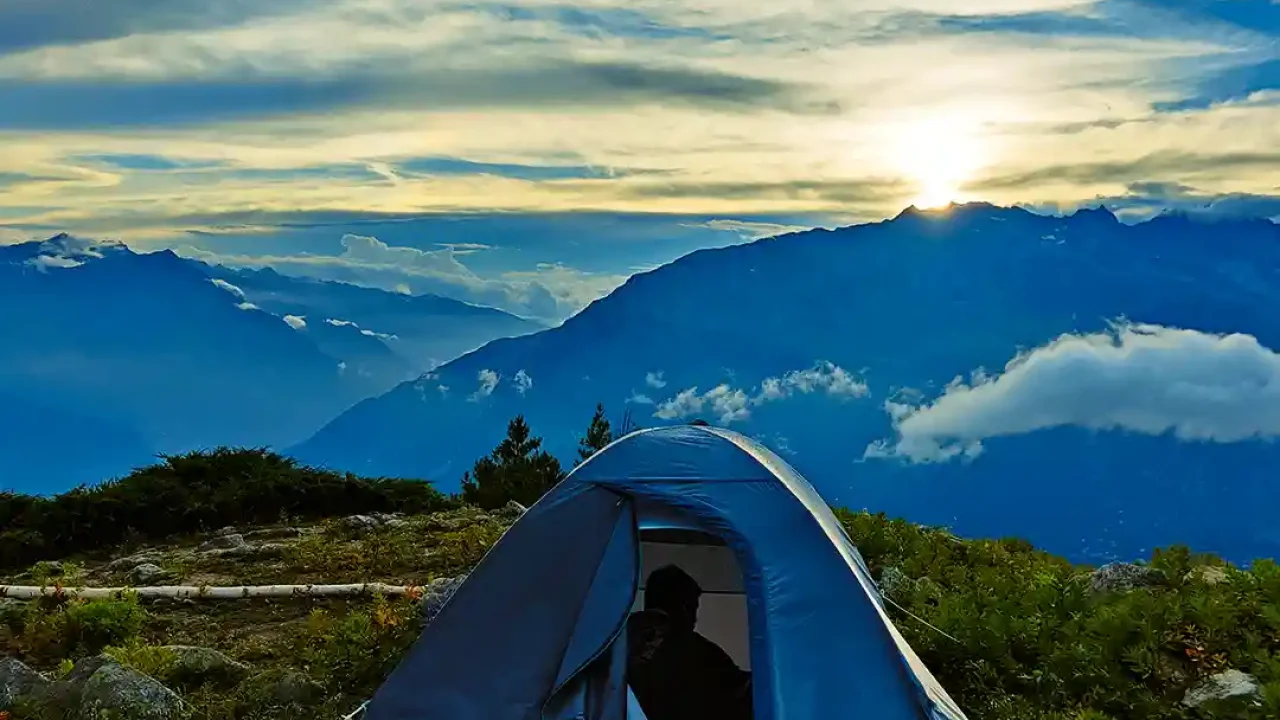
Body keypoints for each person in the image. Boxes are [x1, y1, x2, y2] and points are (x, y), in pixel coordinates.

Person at [626, 564, 753, 720]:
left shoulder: (615, 641)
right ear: (685, 608)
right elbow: (737, 688)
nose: (694, 619)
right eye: (694, 608)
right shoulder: (696, 649)